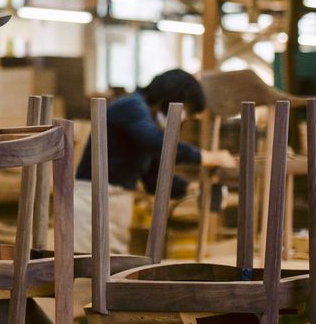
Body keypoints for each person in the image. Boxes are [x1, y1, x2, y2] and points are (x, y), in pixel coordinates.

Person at [72, 69, 237, 254]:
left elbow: (152, 179)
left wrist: (191, 188)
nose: (183, 117)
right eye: (186, 110)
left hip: (118, 199)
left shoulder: (145, 120)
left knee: (110, 266)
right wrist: (205, 157)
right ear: (174, 98)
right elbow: (155, 141)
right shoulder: (131, 106)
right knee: (89, 265)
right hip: (93, 199)